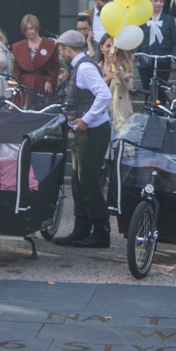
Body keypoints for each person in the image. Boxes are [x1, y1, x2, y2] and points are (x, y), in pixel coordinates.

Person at [56, 29, 112, 249]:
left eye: (61, 49)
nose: (60, 53)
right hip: (84, 133)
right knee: (79, 184)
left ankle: (101, 233)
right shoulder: (78, 67)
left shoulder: (85, 67)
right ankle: (81, 230)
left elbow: (105, 95)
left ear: (68, 49)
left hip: (93, 132)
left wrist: (86, 120)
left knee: (88, 184)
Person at [138, 0, 176, 100]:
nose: (158, 4)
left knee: (161, 89)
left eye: (161, 1)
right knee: (147, 89)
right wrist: (135, 52)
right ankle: (148, 112)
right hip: (145, 58)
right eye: (155, 1)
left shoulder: (169, 19)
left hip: (163, 59)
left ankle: (160, 112)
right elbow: (136, 37)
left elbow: (174, 40)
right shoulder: (142, 18)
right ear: (150, 2)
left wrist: (174, 55)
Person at [12, 15, 58, 108]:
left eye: (31, 28)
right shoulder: (18, 46)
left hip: (42, 84)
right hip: (25, 85)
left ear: (36, 27)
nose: (28, 32)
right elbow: (17, 68)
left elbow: (56, 66)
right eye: (25, 30)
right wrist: (14, 81)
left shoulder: (50, 44)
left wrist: (50, 81)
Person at [99, 32, 135, 131]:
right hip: (102, 113)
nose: (111, 50)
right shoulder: (96, 67)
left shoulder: (125, 65)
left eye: (114, 47)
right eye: (108, 46)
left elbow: (129, 86)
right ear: (101, 47)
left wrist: (117, 65)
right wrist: (105, 80)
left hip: (121, 113)